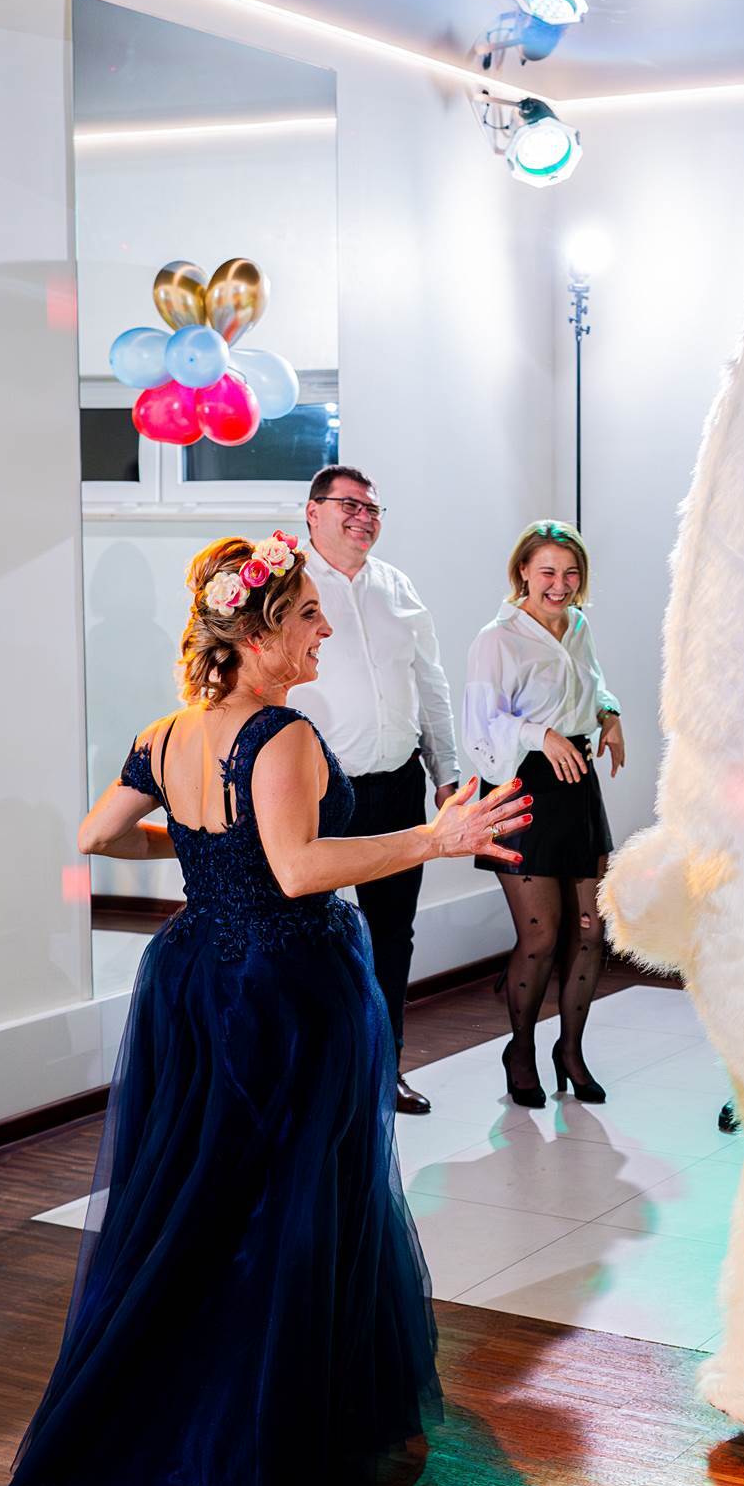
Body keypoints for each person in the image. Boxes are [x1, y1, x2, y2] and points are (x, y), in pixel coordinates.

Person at [7, 536, 530, 1486]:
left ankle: (173, 1403)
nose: (324, 629)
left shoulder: (165, 735)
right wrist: (435, 840)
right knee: (294, 1198)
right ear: (255, 634)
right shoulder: (279, 734)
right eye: (306, 616)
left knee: (203, 1194)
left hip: (196, 978)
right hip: (288, 991)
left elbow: (97, 836)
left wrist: (204, 847)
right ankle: (266, 1434)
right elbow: (297, 870)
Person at [291, 465, 462, 1115]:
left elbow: (431, 685)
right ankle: (314, 1075)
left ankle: (385, 1071)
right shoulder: (286, 583)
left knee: (392, 934)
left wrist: (446, 774)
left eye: (373, 509)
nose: (364, 517)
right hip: (316, 794)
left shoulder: (398, 587)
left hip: (397, 787)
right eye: (350, 505)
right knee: (308, 934)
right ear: (314, 512)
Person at [464, 521, 624, 1108]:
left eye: (571, 572)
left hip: (576, 784)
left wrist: (609, 714)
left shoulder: (578, 626)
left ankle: (571, 1051)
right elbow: (482, 724)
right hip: (523, 785)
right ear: (523, 573)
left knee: (591, 931)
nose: (560, 584)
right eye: (548, 571)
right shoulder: (497, 639)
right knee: (541, 935)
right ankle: (521, 1051)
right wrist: (542, 735)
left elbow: (591, 684)